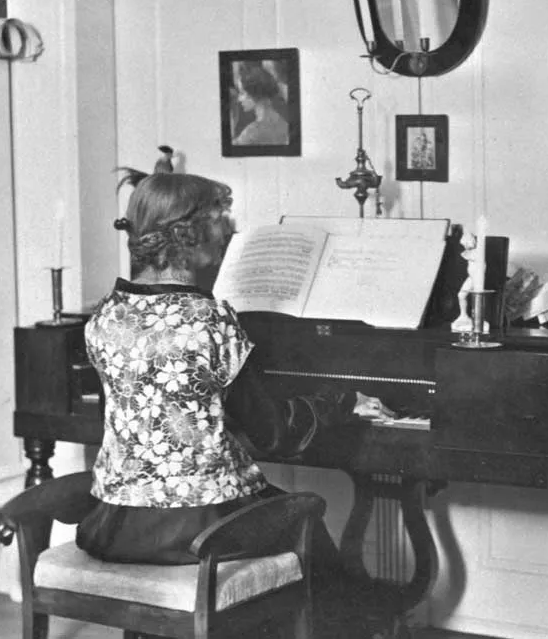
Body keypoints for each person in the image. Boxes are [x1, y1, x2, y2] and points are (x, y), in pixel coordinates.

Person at [77, 152, 405, 634]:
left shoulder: (105, 315)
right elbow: (275, 435)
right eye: (219, 220)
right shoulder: (208, 320)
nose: (229, 232)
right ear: (186, 234)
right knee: (306, 520)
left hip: (117, 522)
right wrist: (343, 401)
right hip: (193, 527)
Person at [231, 62, 290, 146]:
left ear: (255, 94)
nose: (239, 99)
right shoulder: (283, 123)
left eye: (242, 93)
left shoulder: (251, 133)